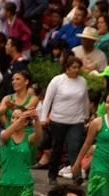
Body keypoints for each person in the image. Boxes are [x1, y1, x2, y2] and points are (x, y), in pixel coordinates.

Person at [40, 55, 89, 185]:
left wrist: (86, 115)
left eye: (78, 67)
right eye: (74, 67)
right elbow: (48, 99)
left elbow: (85, 99)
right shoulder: (57, 80)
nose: (76, 70)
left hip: (76, 120)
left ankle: (76, 174)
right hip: (58, 120)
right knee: (57, 147)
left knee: (74, 147)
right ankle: (52, 175)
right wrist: (43, 117)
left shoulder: (83, 81)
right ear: (67, 68)